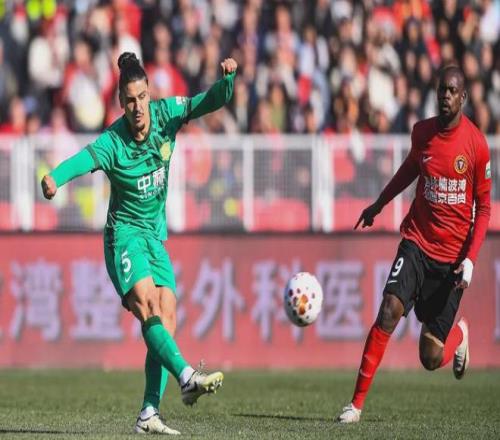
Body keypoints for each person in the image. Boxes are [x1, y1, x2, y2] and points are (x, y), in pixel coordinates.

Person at [41, 52, 238, 435]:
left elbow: (208, 102)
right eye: (130, 100)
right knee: (148, 304)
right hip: (124, 236)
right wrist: (55, 178)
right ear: (121, 102)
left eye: (143, 97)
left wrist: (227, 81)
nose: (138, 107)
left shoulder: (167, 115)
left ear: (150, 94)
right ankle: (186, 377)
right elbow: (83, 160)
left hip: (154, 236)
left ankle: (149, 413)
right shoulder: (113, 141)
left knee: (166, 316)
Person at [336, 65, 491, 423]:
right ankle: (355, 405)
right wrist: (378, 205)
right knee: (389, 309)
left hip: (452, 261)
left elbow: (484, 208)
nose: (445, 95)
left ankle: (459, 336)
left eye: (452, 91)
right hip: (417, 242)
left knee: (430, 357)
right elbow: (409, 169)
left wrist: (470, 259)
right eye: (441, 89)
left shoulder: (476, 145)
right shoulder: (423, 133)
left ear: (464, 97)